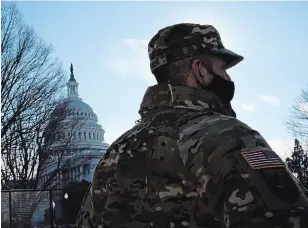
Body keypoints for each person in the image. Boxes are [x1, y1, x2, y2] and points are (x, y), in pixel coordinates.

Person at [76, 23, 308, 228]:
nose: (227, 78)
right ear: (200, 70)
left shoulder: (114, 154)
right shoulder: (228, 137)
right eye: (222, 69)